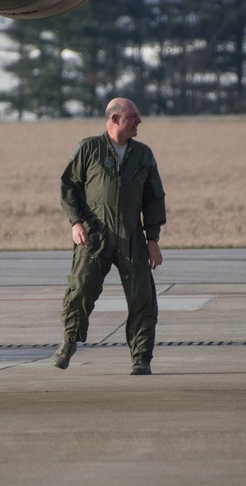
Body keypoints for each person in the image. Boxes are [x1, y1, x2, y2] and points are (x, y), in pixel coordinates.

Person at [51, 98, 166, 375]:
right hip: (94, 236)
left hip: (131, 236)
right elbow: (69, 188)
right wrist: (75, 222)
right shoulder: (88, 148)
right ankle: (69, 341)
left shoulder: (143, 154)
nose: (139, 121)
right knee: (80, 287)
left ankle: (141, 358)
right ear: (115, 119)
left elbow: (154, 199)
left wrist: (152, 239)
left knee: (142, 297)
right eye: (133, 117)